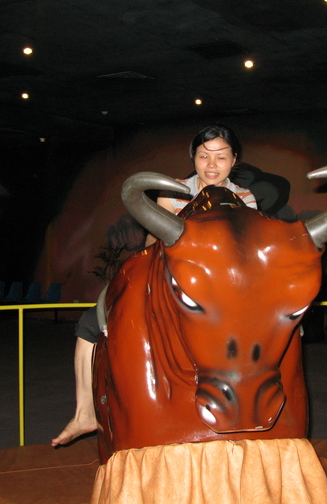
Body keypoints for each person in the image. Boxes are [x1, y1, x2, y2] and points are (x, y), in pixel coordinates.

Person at [52, 124, 257, 447]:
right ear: (193, 157)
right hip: (170, 273)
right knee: (91, 322)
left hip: (220, 284)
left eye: (221, 157)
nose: (212, 165)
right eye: (204, 156)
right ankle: (85, 413)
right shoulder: (173, 191)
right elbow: (155, 241)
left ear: (234, 160)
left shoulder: (244, 198)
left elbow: (245, 250)